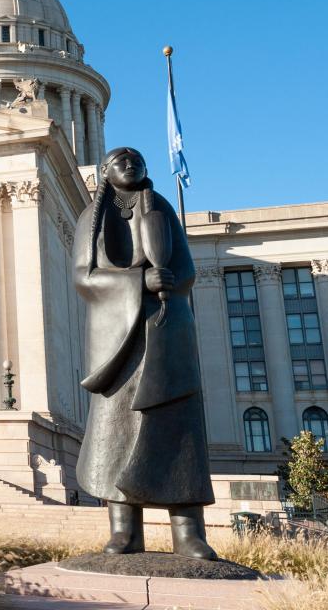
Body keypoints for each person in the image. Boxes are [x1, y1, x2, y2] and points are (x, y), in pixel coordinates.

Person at [73, 146, 216, 560]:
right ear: (105, 171)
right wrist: (139, 282)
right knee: (115, 432)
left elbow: (187, 268)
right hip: (119, 339)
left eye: (137, 161)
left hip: (166, 328)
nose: (131, 165)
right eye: (121, 160)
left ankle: (188, 532)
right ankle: (124, 531)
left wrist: (167, 282)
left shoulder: (164, 211)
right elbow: (84, 277)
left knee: (176, 427)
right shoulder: (92, 218)